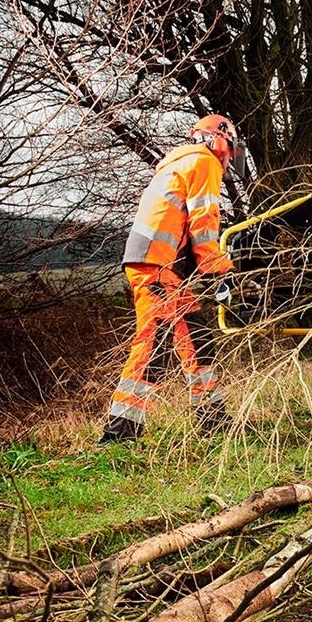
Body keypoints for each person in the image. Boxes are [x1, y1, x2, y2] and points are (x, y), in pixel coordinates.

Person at [101, 114, 240, 443]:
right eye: (230, 150)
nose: (229, 158)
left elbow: (185, 226)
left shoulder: (179, 162)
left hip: (165, 270)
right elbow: (204, 228)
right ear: (220, 142)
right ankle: (119, 434)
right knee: (154, 346)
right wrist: (222, 271)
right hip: (156, 268)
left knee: (197, 337)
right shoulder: (203, 162)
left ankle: (212, 419)